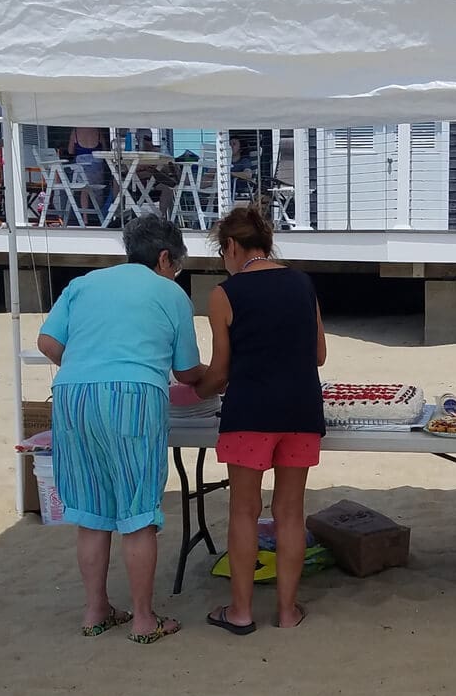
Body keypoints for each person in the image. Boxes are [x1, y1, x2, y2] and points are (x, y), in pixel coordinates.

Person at [37, 215, 203, 644]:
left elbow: (48, 342)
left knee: (91, 511)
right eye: (177, 264)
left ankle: (96, 611)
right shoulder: (170, 293)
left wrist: (87, 364)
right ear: (165, 257)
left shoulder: (85, 283)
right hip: (133, 395)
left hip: (72, 394)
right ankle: (144, 619)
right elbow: (185, 371)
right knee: (137, 511)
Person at [198, 206, 326, 634]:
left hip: (250, 412)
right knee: (290, 513)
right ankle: (288, 612)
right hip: (301, 409)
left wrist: (200, 390)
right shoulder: (302, 283)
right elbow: (320, 355)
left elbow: (219, 371)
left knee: (244, 511)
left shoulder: (225, 293)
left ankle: (241, 611)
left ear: (231, 246)